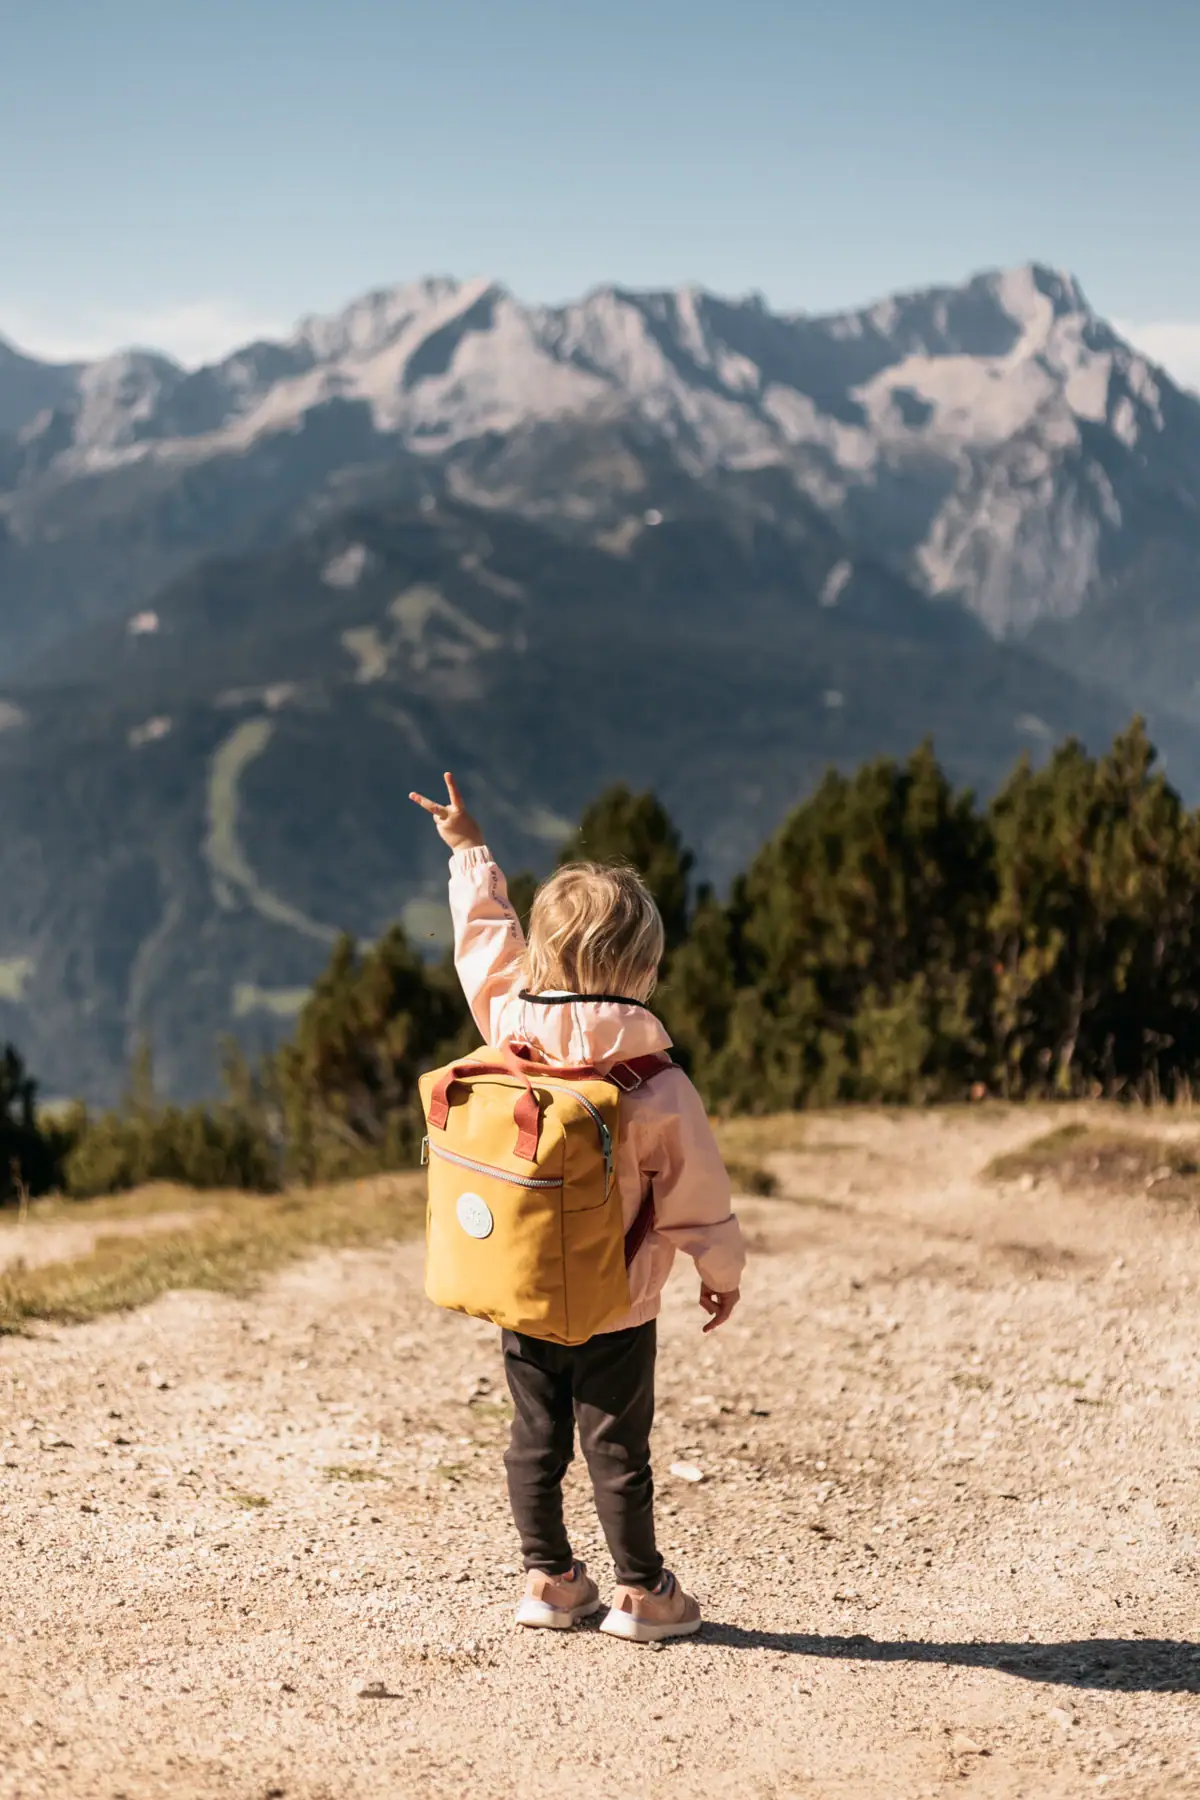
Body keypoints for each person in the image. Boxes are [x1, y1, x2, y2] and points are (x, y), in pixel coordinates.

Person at [410, 773, 746, 1644]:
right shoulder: (654, 1080)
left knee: (534, 1437)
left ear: (546, 959)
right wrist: (721, 1274)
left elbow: (483, 946)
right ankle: (641, 1594)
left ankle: (550, 1581)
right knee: (615, 1448)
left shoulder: (507, 1025)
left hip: (519, 1284)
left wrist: (468, 851)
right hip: (617, 1302)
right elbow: (695, 1200)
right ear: (644, 968)